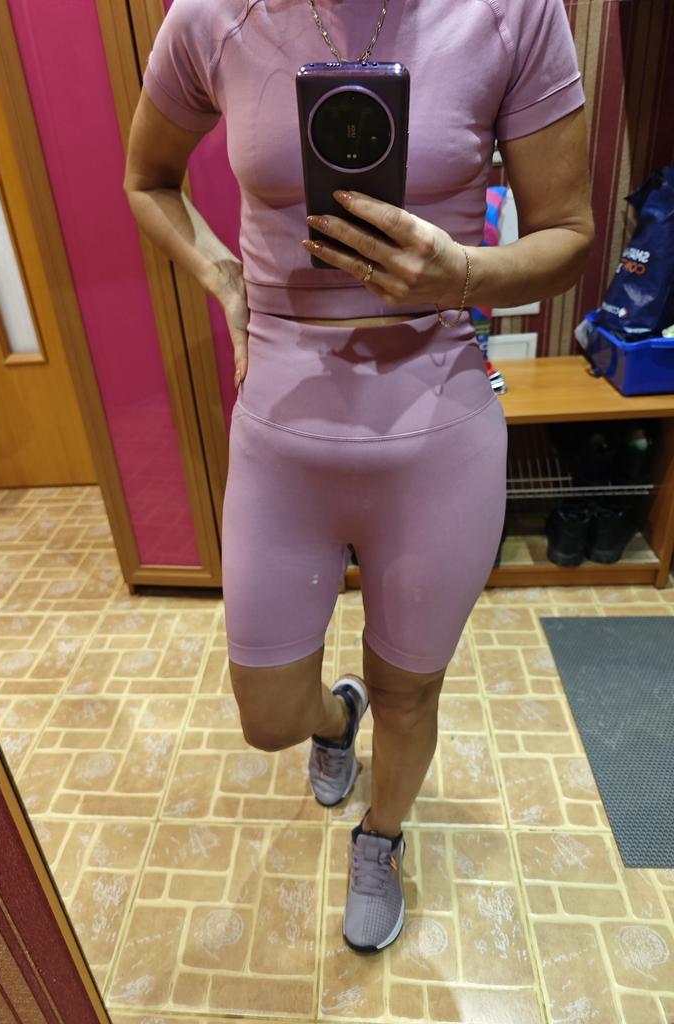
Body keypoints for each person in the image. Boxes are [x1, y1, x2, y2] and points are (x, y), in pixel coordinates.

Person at [124, 0, 594, 954]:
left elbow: (571, 233)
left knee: (411, 689)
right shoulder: (213, 15)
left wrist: (461, 275)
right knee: (267, 718)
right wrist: (226, 280)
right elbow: (148, 178)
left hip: (438, 432)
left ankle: (382, 836)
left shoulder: (513, 12)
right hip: (280, 434)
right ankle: (338, 718)